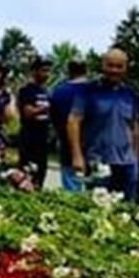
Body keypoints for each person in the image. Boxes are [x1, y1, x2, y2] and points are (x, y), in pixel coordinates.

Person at [68, 47, 139, 200]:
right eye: (110, 65)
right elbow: (73, 121)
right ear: (103, 65)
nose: (114, 70)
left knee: (129, 208)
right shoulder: (87, 91)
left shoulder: (130, 94)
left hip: (127, 164)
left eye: (119, 66)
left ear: (125, 68)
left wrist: (135, 157)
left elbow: (134, 127)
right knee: (99, 207)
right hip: (99, 161)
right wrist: (77, 156)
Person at [49, 58, 90, 192]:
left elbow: (53, 120)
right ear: (86, 70)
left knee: (72, 191)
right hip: (93, 147)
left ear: (69, 71)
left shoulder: (58, 92)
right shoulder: (94, 90)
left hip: (67, 147)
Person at [16, 57, 52, 187]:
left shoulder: (46, 91)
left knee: (41, 172)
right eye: (43, 70)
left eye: (48, 71)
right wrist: (46, 107)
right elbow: (28, 113)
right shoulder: (27, 90)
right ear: (34, 71)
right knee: (28, 172)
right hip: (29, 138)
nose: (46, 74)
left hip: (43, 138)